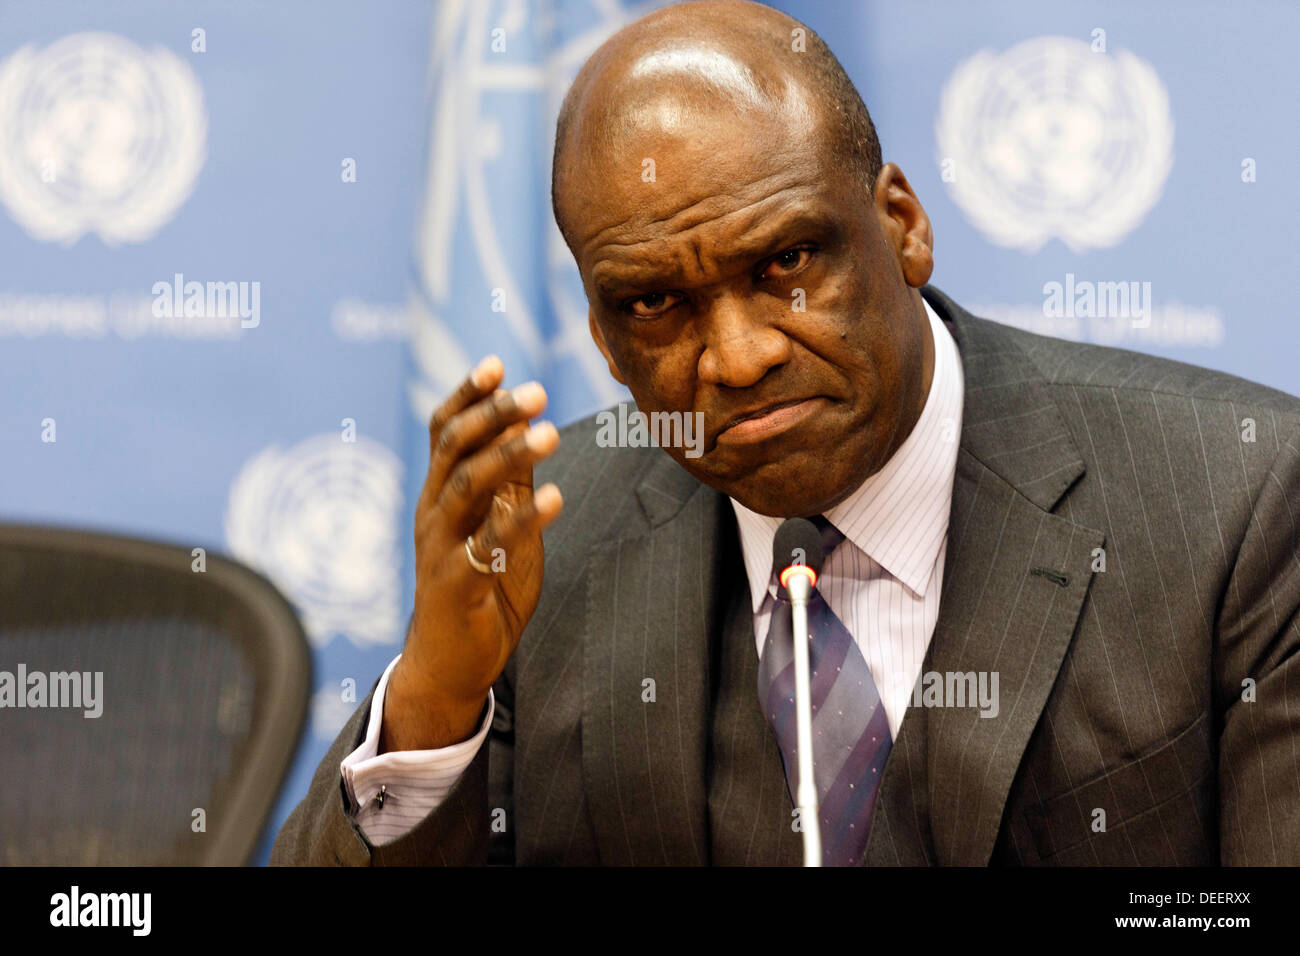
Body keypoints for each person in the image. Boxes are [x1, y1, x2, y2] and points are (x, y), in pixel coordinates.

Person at [272, 0, 1300, 866]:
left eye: (786, 262)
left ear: (899, 223)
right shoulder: (549, 533)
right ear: (600, 333)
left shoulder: (1236, 499)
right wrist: (436, 701)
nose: (734, 356)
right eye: (653, 305)